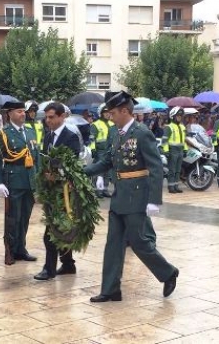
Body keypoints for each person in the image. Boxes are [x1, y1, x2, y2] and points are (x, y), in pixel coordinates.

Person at [84, 91, 178, 303]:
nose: (110, 116)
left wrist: (154, 200)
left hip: (137, 195)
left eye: (113, 113)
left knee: (138, 242)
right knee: (113, 244)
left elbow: (155, 167)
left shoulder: (142, 132)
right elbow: (106, 161)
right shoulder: (116, 133)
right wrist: (82, 171)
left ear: (125, 111)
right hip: (119, 196)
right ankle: (110, 290)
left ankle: (168, 272)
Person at [34, 102, 81, 281]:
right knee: (60, 229)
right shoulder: (47, 137)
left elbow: (72, 163)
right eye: (46, 117)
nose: (48, 121)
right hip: (50, 190)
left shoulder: (71, 137)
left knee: (51, 232)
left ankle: (49, 269)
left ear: (62, 117)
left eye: (52, 117)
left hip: (65, 191)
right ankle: (68, 264)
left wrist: (58, 175)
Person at [0, 101, 39, 264]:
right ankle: (10, 251)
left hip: (30, 181)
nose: (23, 114)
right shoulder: (3, 134)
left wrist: (38, 177)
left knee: (25, 218)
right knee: (13, 218)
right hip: (13, 180)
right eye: (19, 111)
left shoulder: (30, 131)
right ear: (10, 113)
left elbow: (36, 156)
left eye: (23, 111)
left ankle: (21, 249)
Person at [89, 103, 114, 198]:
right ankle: (97, 190)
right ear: (101, 113)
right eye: (105, 112)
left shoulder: (112, 124)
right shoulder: (95, 124)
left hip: (109, 150)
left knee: (107, 170)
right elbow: (92, 138)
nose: (108, 114)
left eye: (109, 112)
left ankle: (105, 189)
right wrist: (93, 149)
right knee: (99, 170)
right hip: (99, 151)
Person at [161, 107, 188, 194]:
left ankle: (176, 186)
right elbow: (164, 140)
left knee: (178, 170)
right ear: (173, 116)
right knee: (172, 170)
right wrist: (166, 151)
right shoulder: (169, 127)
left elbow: (184, 139)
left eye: (181, 116)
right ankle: (171, 186)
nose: (180, 118)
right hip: (172, 151)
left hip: (180, 151)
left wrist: (185, 149)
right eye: (178, 116)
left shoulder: (182, 126)